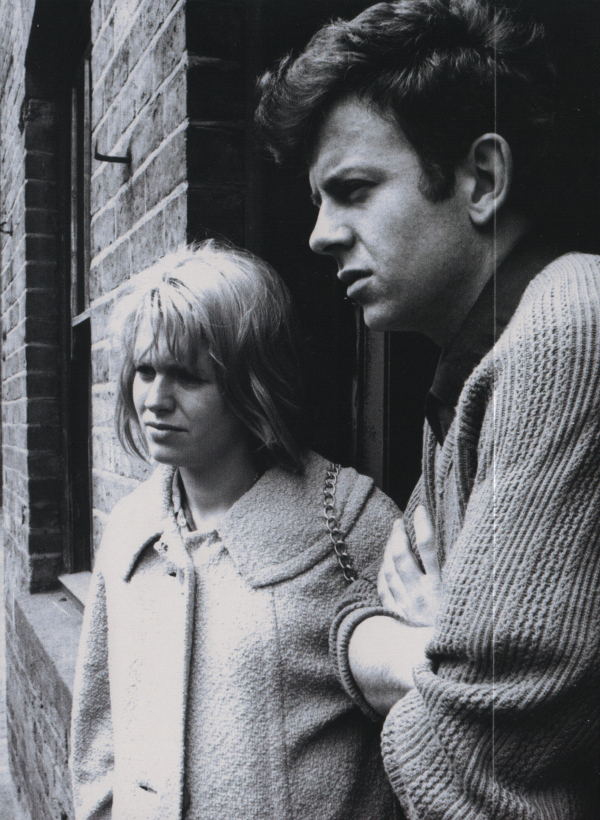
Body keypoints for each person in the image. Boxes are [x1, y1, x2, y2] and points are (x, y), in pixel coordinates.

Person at [255, 1, 600, 817]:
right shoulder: (472, 366)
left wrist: (426, 658)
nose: (319, 235)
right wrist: (429, 653)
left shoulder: (566, 334)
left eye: (353, 190)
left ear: (482, 179)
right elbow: (350, 626)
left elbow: (470, 760)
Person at [69, 241, 402, 820]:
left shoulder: (351, 525)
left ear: (252, 384)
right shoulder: (129, 531)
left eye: (186, 376)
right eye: (145, 371)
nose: (155, 399)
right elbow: (98, 737)